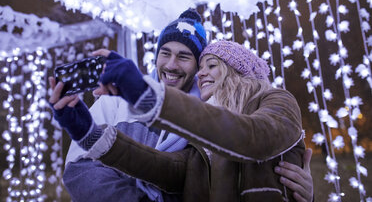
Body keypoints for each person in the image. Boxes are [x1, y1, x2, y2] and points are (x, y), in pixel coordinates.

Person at [50, 11, 313, 201]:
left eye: (210, 66)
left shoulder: (276, 100)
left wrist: (145, 94)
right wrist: (89, 134)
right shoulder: (206, 137)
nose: (202, 74)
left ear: (236, 72)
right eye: (165, 53)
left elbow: (251, 137)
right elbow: (169, 170)